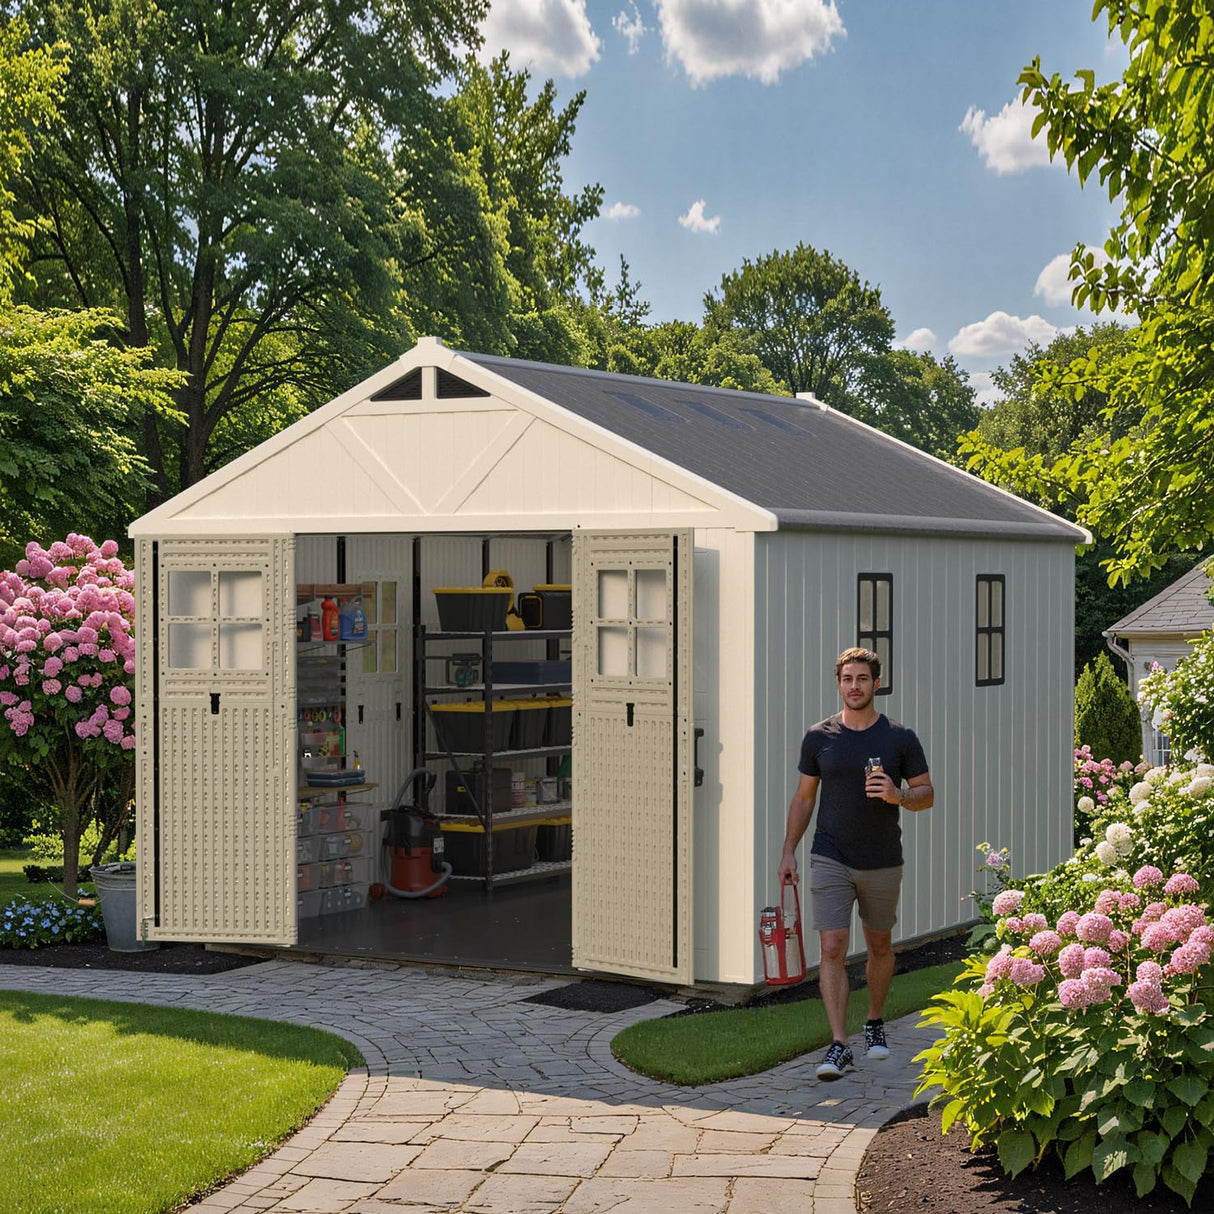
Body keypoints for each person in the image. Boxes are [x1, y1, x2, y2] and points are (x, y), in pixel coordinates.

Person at [778, 646, 933, 1081]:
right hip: (830, 856)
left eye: (862, 678)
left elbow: (927, 795)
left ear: (876, 683)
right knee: (832, 948)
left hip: (882, 860)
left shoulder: (900, 738)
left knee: (879, 946)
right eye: (847, 679)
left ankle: (875, 1022)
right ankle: (838, 1044)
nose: (854, 686)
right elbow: (803, 798)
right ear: (838, 684)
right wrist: (789, 850)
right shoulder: (819, 737)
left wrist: (898, 795)